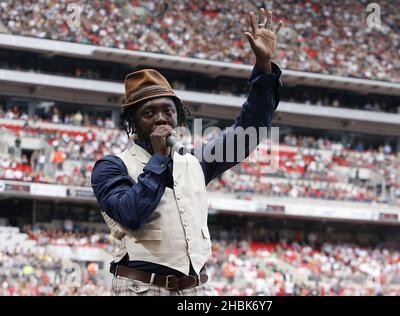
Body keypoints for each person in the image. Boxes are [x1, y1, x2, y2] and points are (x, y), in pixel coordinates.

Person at [91, 8, 283, 296]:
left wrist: (264, 67)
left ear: (177, 117)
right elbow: (131, 215)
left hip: (197, 289)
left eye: (168, 111)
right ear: (133, 123)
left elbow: (250, 129)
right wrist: (158, 159)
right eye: (148, 113)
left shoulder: (195, 161)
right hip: (141, 288)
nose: (160, 119)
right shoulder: (110, 167)